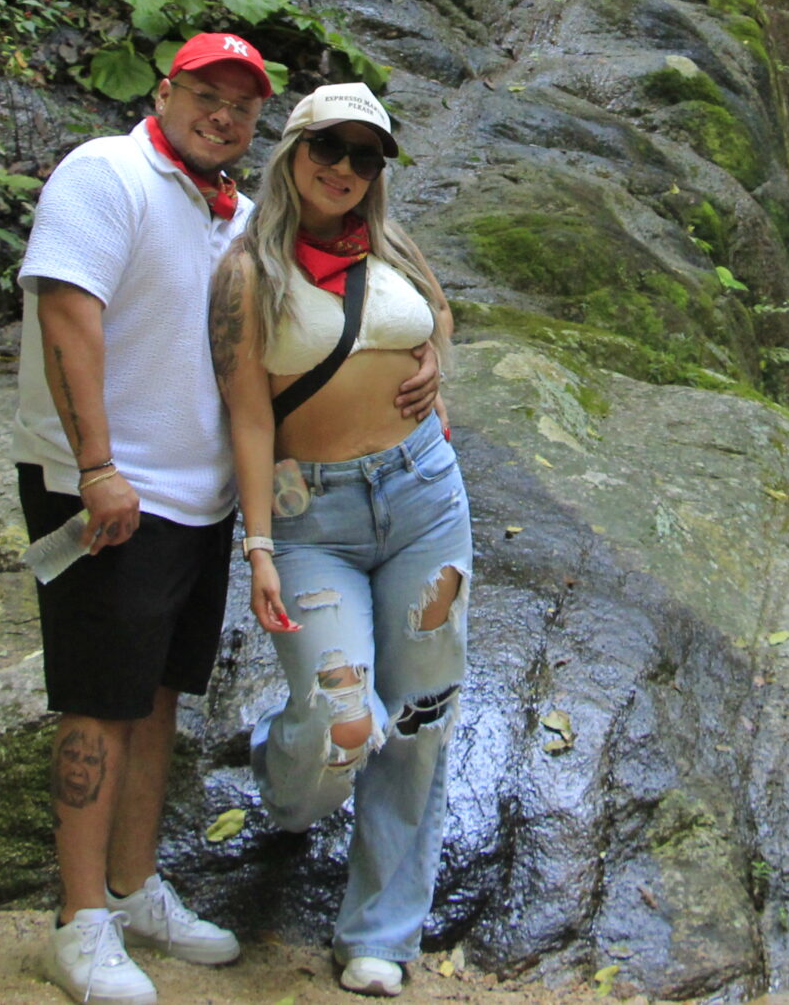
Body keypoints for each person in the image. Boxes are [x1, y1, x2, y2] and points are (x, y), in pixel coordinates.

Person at [12, 37, 441, 1005]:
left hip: (197, 500)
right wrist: (96, 468)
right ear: (165, 90)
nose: (223, 115)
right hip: (110, 492)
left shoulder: (238, 219)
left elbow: (338, 322)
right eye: (206, 94)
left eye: (242, 106)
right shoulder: (106, 173)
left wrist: (426, 359)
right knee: (98, 703)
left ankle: (133, 888)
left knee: (160, 695)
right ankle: (79, 921)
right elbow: (68, 317)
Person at [207, 82, 467, 999]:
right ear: (294, 152)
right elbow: (247, 417)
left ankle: (381, 931)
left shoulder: (391, 244)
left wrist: (434, 360)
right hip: (311, 517)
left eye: (365, 154)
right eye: (330, 147)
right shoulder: (249, 272)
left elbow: (438, 317)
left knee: (421, 711)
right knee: (340, 719)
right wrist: (259, 546)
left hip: (424, 495)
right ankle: (284, 785)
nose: (345, 168)